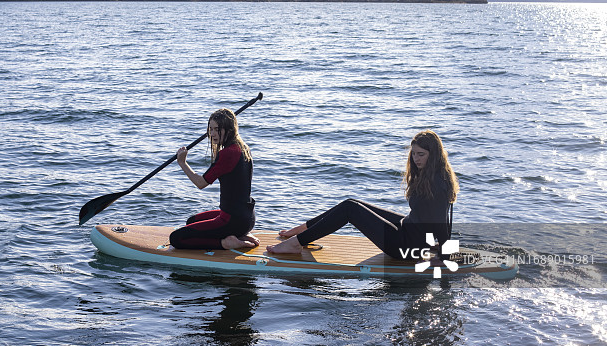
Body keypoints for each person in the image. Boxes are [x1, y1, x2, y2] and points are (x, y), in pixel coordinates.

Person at [267, 130, 458, 258]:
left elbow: (441, 222)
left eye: (421, 154)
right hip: (411, 233)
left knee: (350, 209)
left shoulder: (437, 184)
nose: (415, 159)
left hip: (405, 247)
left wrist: (444, 252)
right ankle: (303, 230)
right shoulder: (433, 176)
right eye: (413, 154)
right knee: (352, 202)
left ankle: (297, 242)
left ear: (433, 155)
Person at [170, 108, 259, 250]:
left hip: (232, 220)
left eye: (217, 129)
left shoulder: (228, 153)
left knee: (176, 238)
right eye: (210, 129)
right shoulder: (243, 147)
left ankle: (225, 243)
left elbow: (200, 183)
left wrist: (182, 162)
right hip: (247, 218)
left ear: (229, 129)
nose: (212, 134)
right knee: (191, 221)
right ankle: (240, 235)